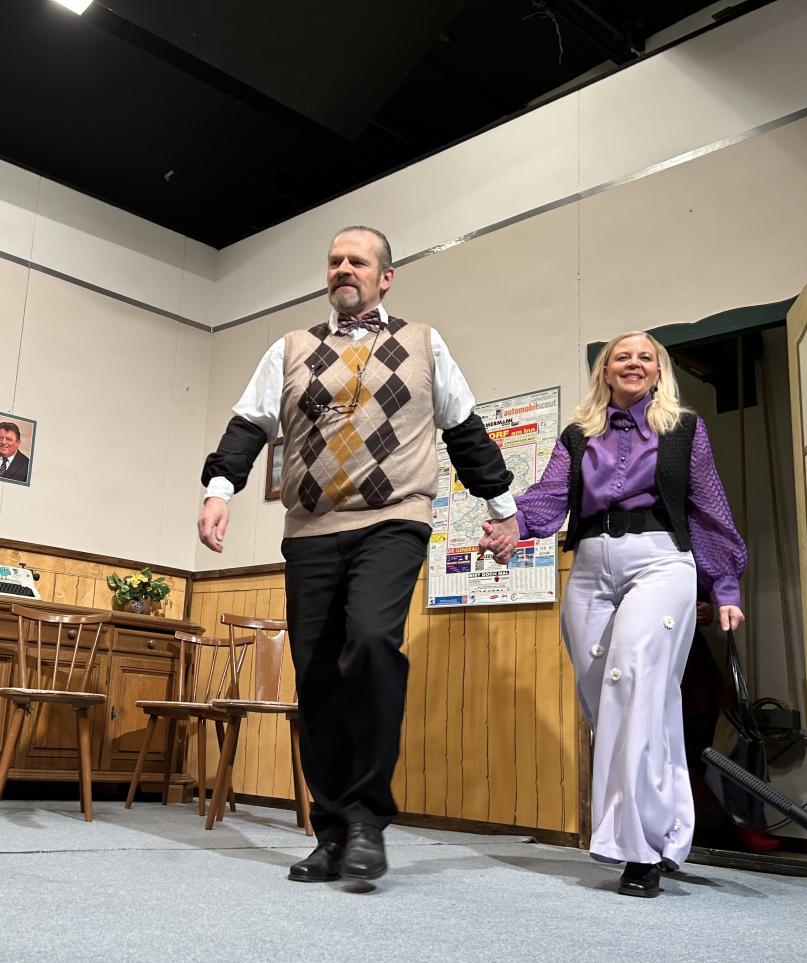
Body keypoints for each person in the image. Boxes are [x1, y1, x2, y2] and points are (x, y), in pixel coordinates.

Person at [198, 225, 517, 883]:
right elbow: (249, 424)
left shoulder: (424, 344)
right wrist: (219, 490)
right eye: (335, 260)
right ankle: (333, 831)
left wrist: (502, 508)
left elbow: (464, 428)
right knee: (317, 675)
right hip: (311, 530)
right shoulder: (290, 348)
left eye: (358, 261)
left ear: (385, 276)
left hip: (393, 520)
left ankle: (368, 817)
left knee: (371, 642)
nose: (344, 268)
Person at [481, 330, 746, 898]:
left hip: (661, 562)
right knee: (611, 702)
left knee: (632, 685)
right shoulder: (579, 435)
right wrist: (512, 527)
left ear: (659, 371)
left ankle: (639, 851)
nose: (633, 363)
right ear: (605, 370)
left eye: (645, 357)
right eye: (622, 356)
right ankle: (669, 830)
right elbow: (550, 496)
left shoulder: (684, 430)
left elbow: (708, 508)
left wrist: (725, 586)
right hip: (591, 567)